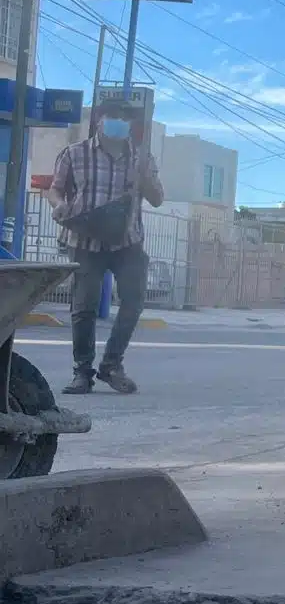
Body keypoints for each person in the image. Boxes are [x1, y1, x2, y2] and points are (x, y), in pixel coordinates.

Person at [48, 96, 164, 395]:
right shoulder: (74, 154)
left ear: (130, 125)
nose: (118, 123)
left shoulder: (141, 157)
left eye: (123, 118)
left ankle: (111, 365)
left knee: (134, 300)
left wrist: (145, 179)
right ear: (98, 121)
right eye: (111, 117)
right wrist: (59, 206)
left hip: (127, 240)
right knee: (83, 306)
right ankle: (82, 372)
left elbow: (157, 198)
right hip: (85, 238)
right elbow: (55, 190)